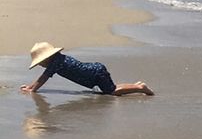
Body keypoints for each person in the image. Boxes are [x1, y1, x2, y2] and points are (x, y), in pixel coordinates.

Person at [22, 42, 154, 98]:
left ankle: (140, 88)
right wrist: (30, 86)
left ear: (46, 59)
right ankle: (136, 85)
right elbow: (42, 77)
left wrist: (32, 89)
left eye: (40, 63)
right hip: (95, 70)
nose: (41, 66)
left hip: (94, 73)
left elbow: (43, 78)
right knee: (111, 88)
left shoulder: (55, 63)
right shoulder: (58, 59)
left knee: (112, 91)